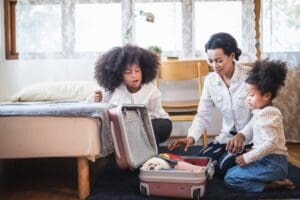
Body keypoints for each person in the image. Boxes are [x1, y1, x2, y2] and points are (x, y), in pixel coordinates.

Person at [168, 32, 253, 176]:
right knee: (202, 160)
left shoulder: (251, 76)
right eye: (210, 61)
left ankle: (254, 163)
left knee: (221, 168)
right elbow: (203, 114)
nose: (214, 66)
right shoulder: (210, 81)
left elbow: (261, 116)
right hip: (226, 138)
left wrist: (242, 135)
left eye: (219, 60)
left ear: (232, 56)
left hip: (250, 139)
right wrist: (191, 137)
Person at [224, 59, 295, 192]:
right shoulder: (261, 112)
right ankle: (270, 179)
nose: (247, 99)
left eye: (251, 95)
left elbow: (272, 143)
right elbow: (251, 126)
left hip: (273, 163)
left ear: (267, 95)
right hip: (266, 160)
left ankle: (270, 185)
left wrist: (249, 157)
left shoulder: (270, 115)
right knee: (231, 171)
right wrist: (241, 136)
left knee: (231, 179)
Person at [90, 44, 172, 147]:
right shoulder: (114, 89)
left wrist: (140, 123)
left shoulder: (151, 91)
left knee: (162, 126)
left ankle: (148, 157)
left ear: (144, 70)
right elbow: (98, 109)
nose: (134, 75)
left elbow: (157, 115)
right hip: (123, 129)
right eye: (128, 72)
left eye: (137, 71)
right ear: (119, 75)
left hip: (147, 125)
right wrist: (97, 100)